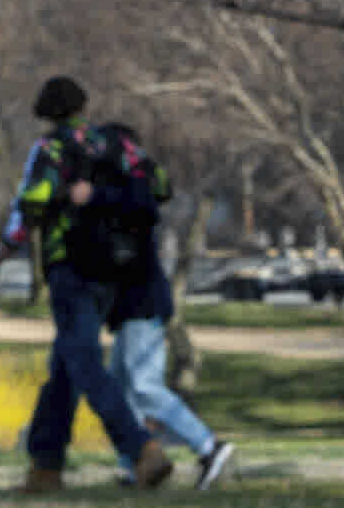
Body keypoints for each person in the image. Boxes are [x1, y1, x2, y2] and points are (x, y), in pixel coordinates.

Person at [0, 76, 174, 494]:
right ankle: (45, 467)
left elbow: (31, 203)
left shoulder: (50, 149)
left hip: (70, 268)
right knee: (65, 367)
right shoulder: (119, 143)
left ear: (45, 111)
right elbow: (160, 186)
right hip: (114, 270)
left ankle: (141, 449)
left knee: (84, 362)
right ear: (83, 106)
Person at [95, 121, 237, 489]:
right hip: (129, 307)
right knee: (123, 389)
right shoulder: (120, 188)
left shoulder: (134, 185)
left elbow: (142, 206)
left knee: (144, 386)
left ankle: (209, 446)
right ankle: (137, 466)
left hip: (143, 303)